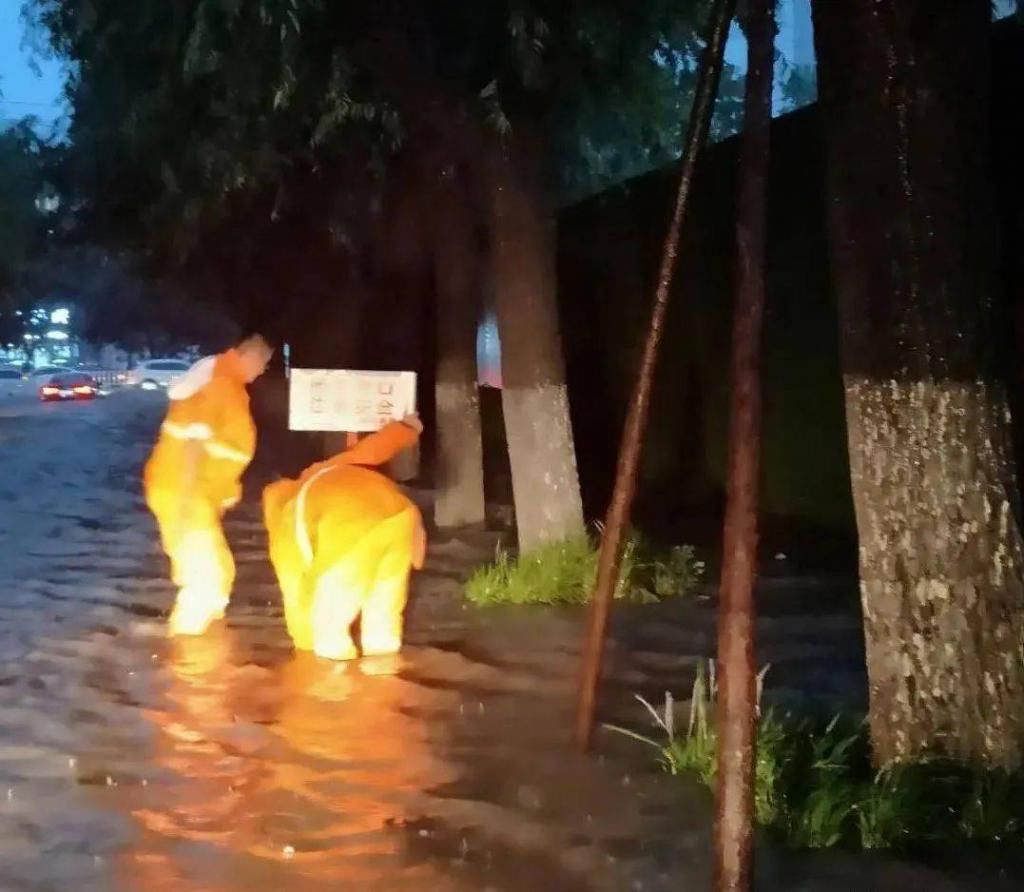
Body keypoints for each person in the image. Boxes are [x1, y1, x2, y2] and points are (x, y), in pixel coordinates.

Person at [262, 414, 425, 661]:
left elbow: (295, 594)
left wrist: (306, 646)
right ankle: (384, 681)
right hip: (400, 514)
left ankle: (338, 691)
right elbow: (373, 450)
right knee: (383, 625)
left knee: (329, 636)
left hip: (351, 526)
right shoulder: (329, 472)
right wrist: (407, 429)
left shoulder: (286, 511)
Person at [144, 334, 274, 636]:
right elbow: (193, 442)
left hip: (192, 494)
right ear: (249, 357)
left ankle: (207, 647)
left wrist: (219, 496)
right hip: (184, 494)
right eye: (263, 364)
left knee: (217, 574)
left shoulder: (222, 381)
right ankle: (188, 664)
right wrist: (188, 502)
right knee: (206, 581)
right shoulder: (219, 385)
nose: (262, 371)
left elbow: (217, 447)